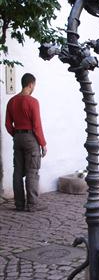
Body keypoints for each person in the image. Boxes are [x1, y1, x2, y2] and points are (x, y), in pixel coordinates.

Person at [5, 73, 47, 212]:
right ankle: (32, 204)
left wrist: (16, 135)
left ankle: (19, 204)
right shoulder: (33, 102)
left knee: (17, 171)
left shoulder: (12, 101)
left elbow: (7, 124)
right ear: (30, 84)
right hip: (30, 138)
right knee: (32, 171)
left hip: (17, 138)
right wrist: (43, 143)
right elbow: (37, 125)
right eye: (34, 85)